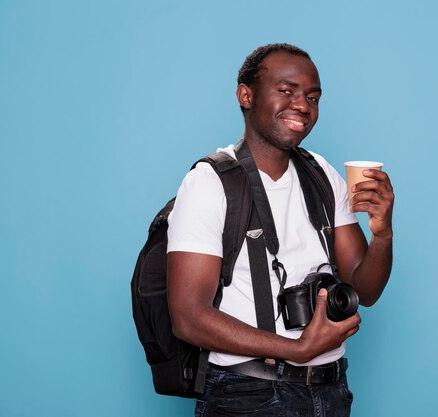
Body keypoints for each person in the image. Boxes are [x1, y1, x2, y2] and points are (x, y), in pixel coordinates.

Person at [167, 43, 394, 417]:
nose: (302, 105)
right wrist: (296, 349)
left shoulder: (322, 174)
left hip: (331, 389)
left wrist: (382, 234)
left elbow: (364, 290)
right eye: (286, 91)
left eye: (312, 96)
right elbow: (188, 316)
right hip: (247, 394)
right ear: (246, 95)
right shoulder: (210, 183)